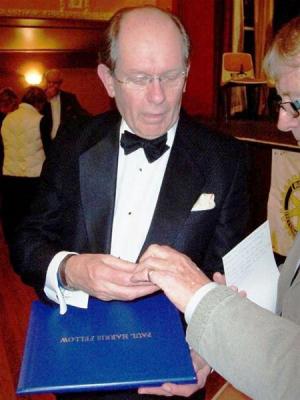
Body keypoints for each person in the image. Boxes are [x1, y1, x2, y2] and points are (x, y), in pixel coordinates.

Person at [11, 5, 248, 400]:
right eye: (139, 79)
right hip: (80, 370)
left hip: (172, 376)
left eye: (171, 76)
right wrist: (71, 268)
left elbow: (226, 274)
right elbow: (28, 240)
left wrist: (209, 350)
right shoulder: (73, 143)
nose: (158, 97)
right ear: (108, 79)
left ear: (187, 72)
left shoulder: (227, 159)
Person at [132, 15, 300, 400]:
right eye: (281, 101)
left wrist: (203, 299)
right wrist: (221, 340)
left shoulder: (223, 156)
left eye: (296, 104)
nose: (282, 120)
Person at [1, 86, 47, 245]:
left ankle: (12, 243)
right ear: (40, 103)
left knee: (12, 214)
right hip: (33, 176)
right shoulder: (40, 120)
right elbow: (48, 148)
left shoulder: (7, 118)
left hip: (9, 174)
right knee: (32, 215)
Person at [41, 68, 89, 152]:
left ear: (60, 83)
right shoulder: (40, 98)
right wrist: (47, 99)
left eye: (55, 83)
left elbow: (80, 114)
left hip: (64, 142)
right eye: (49, 82)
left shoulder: (69, 98)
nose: (51, 85)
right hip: (45, 143)